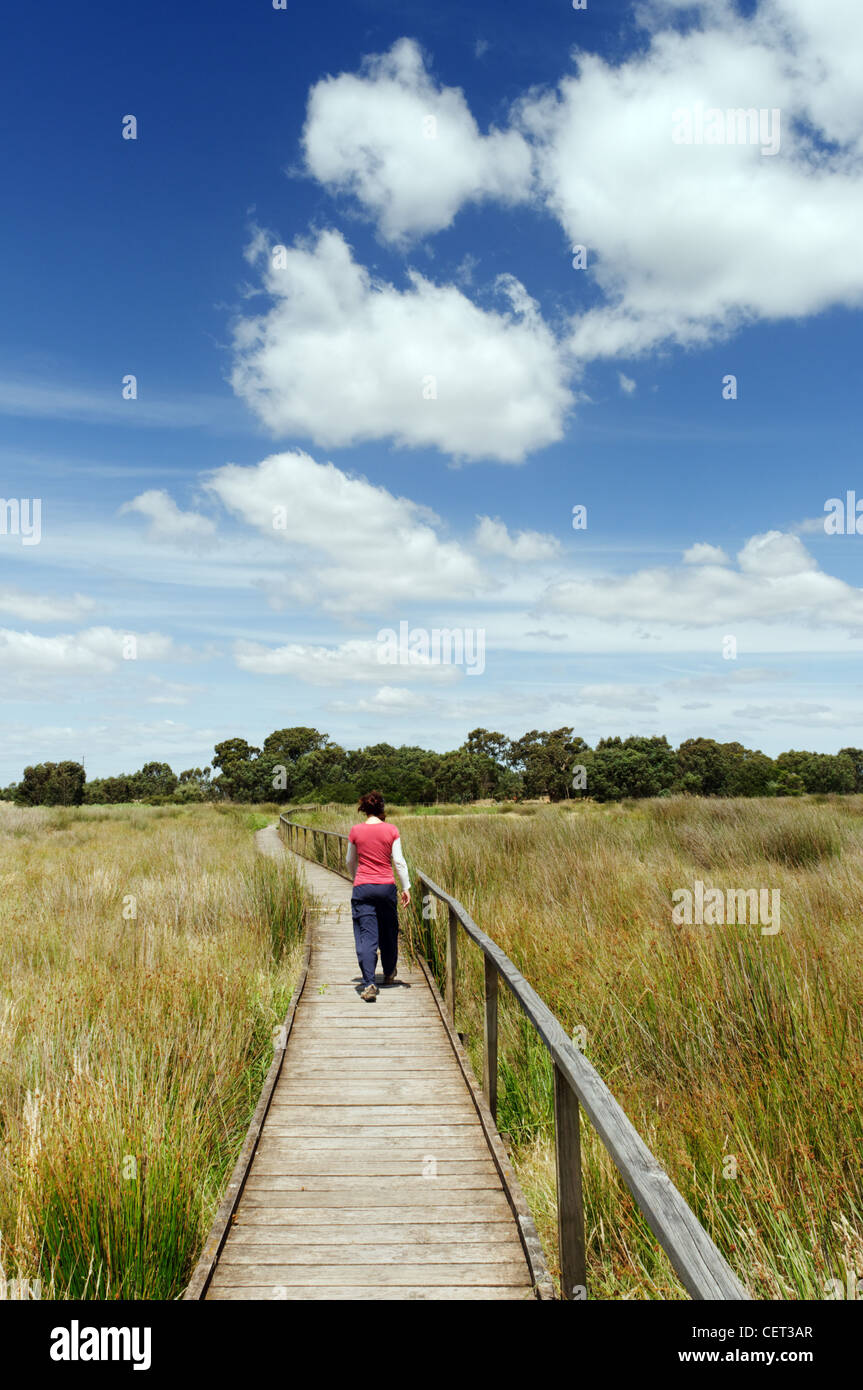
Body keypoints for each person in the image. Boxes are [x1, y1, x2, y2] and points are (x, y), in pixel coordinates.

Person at [345, 791, 410, 1002]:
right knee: (389, 931)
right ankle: (390, 972)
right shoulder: (391, 830)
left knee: (366, 936)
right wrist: (406, 887)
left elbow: (349, 861)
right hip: (386, 887)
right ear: (382, 809)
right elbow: (399, 861)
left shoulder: (356, 831)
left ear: (363, 809)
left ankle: (369, 982)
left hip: (363, 888)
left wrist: (358, 879)